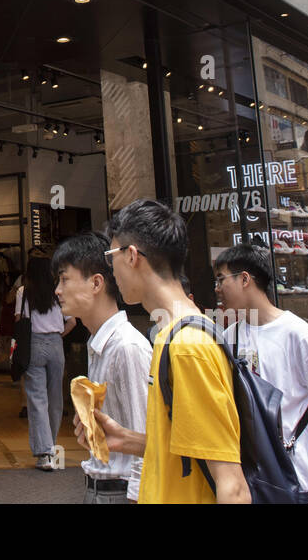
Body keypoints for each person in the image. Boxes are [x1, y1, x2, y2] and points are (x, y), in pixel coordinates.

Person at [78, 199, 250, 503]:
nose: (110, 269)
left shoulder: (187, 347)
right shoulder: (171, 337)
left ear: (131, 256)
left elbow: (232, 486)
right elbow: (188, 453)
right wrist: (127, 439)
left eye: (110, 256)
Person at [213, 244, 308, 504]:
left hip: (299, 476)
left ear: (244, 279)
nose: (217, 289)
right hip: (254, 477)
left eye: (221, 280)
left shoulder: (298, 334)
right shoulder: (230, 337)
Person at [53, 231, 150, 503]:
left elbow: (147, 442)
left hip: (121, 493)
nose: (57, 290)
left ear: (96, 283)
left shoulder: (126, 347)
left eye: (64, 279)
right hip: (100, 489)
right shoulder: (98, 343)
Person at [16, 253, 75, 470]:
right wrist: (57, 337)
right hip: (55, 344)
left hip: (34, 344)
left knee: (37, 398)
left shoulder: (23, 292)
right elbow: (72, 322)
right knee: (55, 397)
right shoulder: (58, 292)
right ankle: (52, 444)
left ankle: (45, 452)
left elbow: (19, 320)